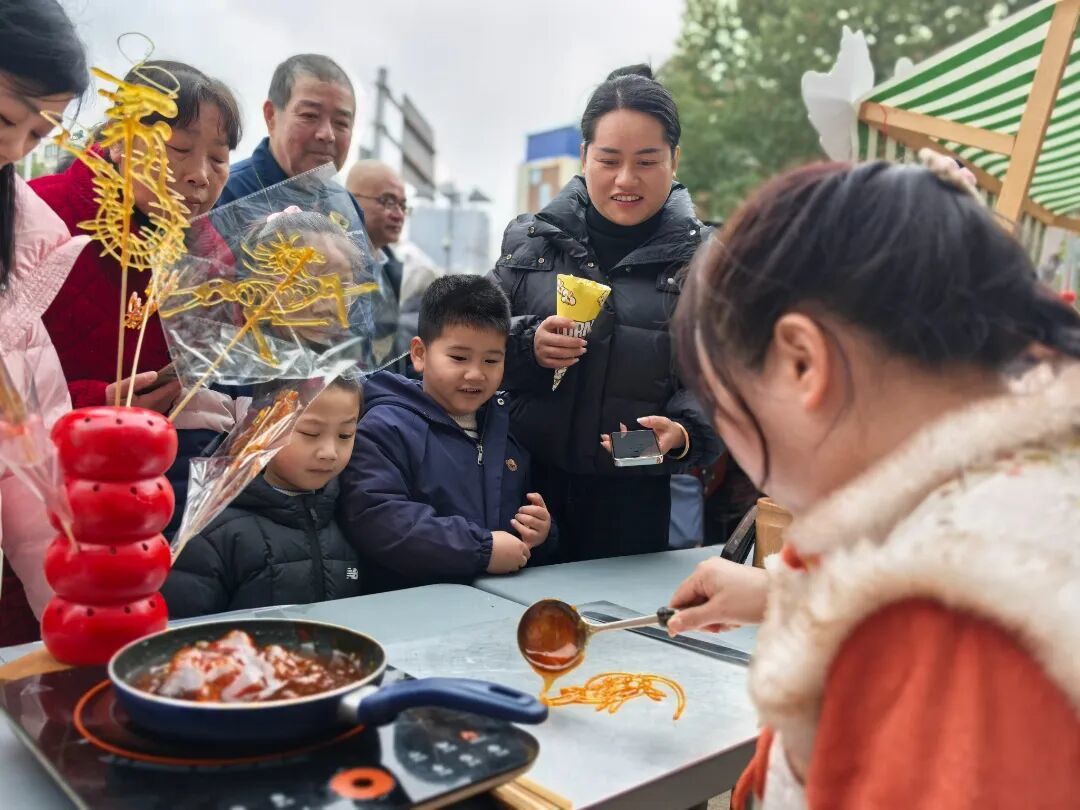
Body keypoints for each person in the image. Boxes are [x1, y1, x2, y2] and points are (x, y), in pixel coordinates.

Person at [665, 157, 1080, 808]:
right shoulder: (1029, 492)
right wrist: (781, 593)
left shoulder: (947, 631)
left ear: (803, 363)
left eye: (728, 409)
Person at [492, 64, 720, 561]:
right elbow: (469, 340)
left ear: (675, 159)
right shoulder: (530, 242)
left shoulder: (709, 263)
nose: (625, 180)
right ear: (584, 156)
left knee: (618, 612)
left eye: (647, 161)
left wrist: (683, 433)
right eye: (609, 160)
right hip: (520, 483)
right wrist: (527, 344)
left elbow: (727, 382)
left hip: (633, 496)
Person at [32, 60, 243, 535]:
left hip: (149, 504)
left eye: (218, 158)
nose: (199, 175)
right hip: (36, 497)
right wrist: (95, 404)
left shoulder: (213, 259)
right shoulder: (37, 217)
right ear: (120, 142)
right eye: (179, 149)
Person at [339, 275, 556, 592]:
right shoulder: (386, 426)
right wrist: (481, 550)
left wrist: (541, 533)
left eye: (491, 360)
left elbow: (519, 522)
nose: (475, 373)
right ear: (419, 354)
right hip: (411, 604)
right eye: (458, 357)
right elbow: (378, 518)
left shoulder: (506, 429)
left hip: (497, 602)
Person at [0, 0, 89, 645]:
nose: (12, 150)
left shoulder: (25, 246)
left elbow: (26, 462)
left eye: (37, 137)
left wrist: (79, 607)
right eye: (6, 120)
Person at [162, 376, 364, 617]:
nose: (329, 452)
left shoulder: (351, 512)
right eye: (310, 433)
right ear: (263, 425)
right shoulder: (214, 530)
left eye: (345, 435)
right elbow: (185, 625)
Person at [216, 53, 364, 230]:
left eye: (341, 123)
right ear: (271, 116)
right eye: (310, 115)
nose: (327, 134)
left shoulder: (347, 208)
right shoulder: (223, 195)